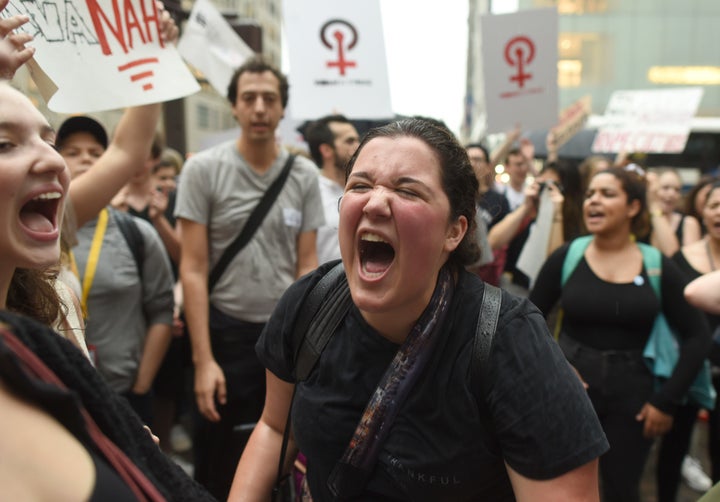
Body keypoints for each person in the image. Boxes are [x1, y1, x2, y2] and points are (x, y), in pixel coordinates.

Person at [229, 118, 608, 501]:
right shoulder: (310, 304)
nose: (375, 203)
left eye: (407, 191)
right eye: (360, 185)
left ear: (455, 231)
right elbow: (275, 428)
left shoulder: (512, 344)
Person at [0, 77, 213, 500]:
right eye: (5, 144)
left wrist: (115, 433)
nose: (54, 160)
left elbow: (127, 150)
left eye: (47, 140)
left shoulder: (38, 331)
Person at [175, 55, 324, 500]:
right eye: (249, 98)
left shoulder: (302, 174)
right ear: (234, 108)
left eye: (269, 99)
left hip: (284, 340)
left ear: (282, 109)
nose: (259, 107)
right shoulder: (202, 170)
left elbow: (308, 266)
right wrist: (204, 361)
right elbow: (194, 268)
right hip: (223, 336)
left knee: (282, 455)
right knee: (218, 456)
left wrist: (303, 350)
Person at [530, 167, 712, 502]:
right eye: (590, 194)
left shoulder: (655, 264)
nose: (593, 201)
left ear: (633, 207)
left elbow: (697, 336)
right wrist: (558, 370)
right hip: (570, 392)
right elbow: (526, 322)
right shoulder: (568, 256)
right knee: (564, 488)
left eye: (607, 194)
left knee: (620, 490)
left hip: (634, 399)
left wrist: (666, 401)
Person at [57, 115, 175, 427]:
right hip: (56, 394)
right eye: (72, 151)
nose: (85, 158)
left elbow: (162, 312)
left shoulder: (136, 234)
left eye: (97, 153)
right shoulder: (36, 234)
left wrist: (140, 388)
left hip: (125, 396)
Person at [656, 181, 720, 499]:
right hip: (690, 367)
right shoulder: (683, 259)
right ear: (702, 212)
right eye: (714, 205)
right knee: (674, 449)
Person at [304, 114, 360, 264]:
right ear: (327, 150)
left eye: (357, 139)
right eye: (350, 141)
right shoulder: (310, 193)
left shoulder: (369, 190)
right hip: (323, 285)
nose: (358, 146)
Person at [646, 168, 702, 257]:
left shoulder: (689, 223)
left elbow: (674, 255)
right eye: (665, 188)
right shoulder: (640, 222)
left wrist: (655, 208)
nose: (672, 194)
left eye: (677, 190)